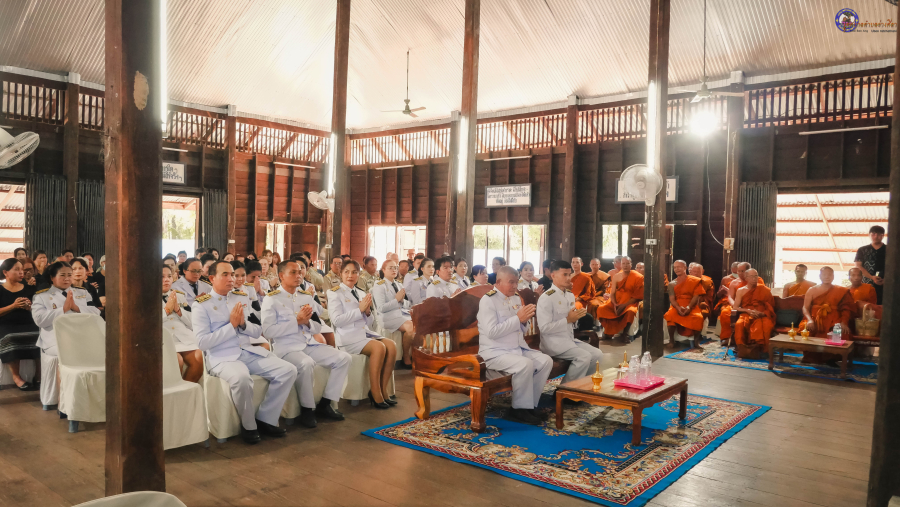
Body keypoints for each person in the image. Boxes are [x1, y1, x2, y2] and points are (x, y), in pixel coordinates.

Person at [193, 260, 297, 444]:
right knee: (242, 378)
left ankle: (266, 418)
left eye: (232, 274)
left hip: (246, 351)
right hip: (222, 357)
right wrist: (231, 326)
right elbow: (203, 343)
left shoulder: (240, 297)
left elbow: (257, 331)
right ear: (212, 278)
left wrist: (242, 324)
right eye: (225, 275)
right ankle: (249, 426)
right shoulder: (201, 305)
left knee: (288, 370)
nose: (231, 279)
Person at [262, 260, 349, 427]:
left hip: (308, 343)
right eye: (293, 272)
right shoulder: (271, 299)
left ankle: (325, 403)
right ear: (281, 276)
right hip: (286, 348)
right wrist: (296, 321)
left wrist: (307, 323)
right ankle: (307, 409)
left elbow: (317, 325)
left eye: (299, 272)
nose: (298, 275)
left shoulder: (305, 296)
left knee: (344, 358)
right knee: (306, 363)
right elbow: (268, 331)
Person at [477, 266, 552, 425]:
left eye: (516, 282)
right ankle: (518, 410)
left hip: (516, 348)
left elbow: (520, 328)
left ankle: (530, 406)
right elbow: (491, 332)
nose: (515, 286)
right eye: (510, 282)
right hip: (494, 352)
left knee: (545, 361)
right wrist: (518, 319)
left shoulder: (516, 297)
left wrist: (523, 322)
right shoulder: (488, 300)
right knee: (525, 364)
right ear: (498, 282)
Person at [327, 260, 397, 409]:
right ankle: (375, 392)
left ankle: (384, 390)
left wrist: (367, 312)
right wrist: (359, 310)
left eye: (354, 272)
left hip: (363, 332)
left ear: (359, 275)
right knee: (379, 348)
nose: (350, 275)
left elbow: (369, 322)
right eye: (346, 272)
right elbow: (337, 321)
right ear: (340, 274)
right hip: (347, 336)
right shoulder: (334, 293)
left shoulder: (361, 293)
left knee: (391, 345)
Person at [32, 261, 101, 411]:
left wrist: (76, 307)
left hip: (80, 336)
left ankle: (90, 399)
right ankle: (63, 401)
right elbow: (39, 320)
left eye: (69, 275)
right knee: (66, 352)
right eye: (62, 275)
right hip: (54, 339)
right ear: (52, 277)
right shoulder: (42, 296)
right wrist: (62, 309)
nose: (67, 278)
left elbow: (96, 312)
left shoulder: (82, 292)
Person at [536, 260, 603, 384]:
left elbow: (572, 323)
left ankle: (582, 387)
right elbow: (544, 328)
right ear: (553, 275)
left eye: (569, 274)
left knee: (597, 354)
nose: (568, 278)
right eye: (564, 274)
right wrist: (568, 320)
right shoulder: (547, 298)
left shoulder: (569, 295)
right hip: (553, 343)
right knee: (584, 357)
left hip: (569, 340)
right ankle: (565, 389)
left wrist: (576, 318)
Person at [0, 258, 39, 390]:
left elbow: (37, 309)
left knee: (41, 335)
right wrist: (13, 306)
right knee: (10, 337)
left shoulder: (29, 288)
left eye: (22, 269)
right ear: (5, 272)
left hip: (28, 323)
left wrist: (30, 307)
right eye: (17, 269)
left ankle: (38, 375)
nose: (21, 272)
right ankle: (16, 377)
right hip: (6, 325)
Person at [161, 264, 203, 382]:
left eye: (169, 276)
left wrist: (179, 311)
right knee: (176, 360)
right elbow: (147, 324)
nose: (166, 279)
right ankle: (175, 390)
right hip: (164, 338)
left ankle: (187, 389)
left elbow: (192, 323)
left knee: (199, 357)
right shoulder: (145, 297)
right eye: (162, 276)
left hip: (183, 337)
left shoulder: (179, 296)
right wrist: (166, 310)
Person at [373, 259, 415, 369]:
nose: (394, 270)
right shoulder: (379, 285)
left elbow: (407, 304)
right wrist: (396, 300)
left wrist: (401, 301)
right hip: (387, 317)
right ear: (383, 270)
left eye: (395, 268)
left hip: (401, 314)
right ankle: (406, 356)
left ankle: (416, 356)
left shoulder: (399, 284)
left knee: (419, 323)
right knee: (411, 327)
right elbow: (381, 308)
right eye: (390, 268)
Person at [595, 256, 644, 340]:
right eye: (623, 263)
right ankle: (608, 332)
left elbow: (637, 296)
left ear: (631, 265)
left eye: (627, 263)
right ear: (621, 265)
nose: (625, 265)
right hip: (616, 301)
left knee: (631, 311)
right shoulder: (616, 276)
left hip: (630, 302)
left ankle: (626, 334)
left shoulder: (638, 277)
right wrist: (614, 304)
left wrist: (624, 305)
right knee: (601, 309)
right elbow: (612, 293)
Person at [731, 269, 775, 359]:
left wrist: (763, 313)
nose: (754, 278)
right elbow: (735, 307)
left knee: (767, 325)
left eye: (756, 276)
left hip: (762, 314)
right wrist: (748, 311)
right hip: (746, 314)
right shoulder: (741, 290)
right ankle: (742, 348)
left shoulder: (764, 289)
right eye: (752, 276)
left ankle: (764, 350)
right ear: (746, 278)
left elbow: (770, 306)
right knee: (739, 324)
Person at [800, 267, 855, 338]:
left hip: (834, 320)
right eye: (824, 274)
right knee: (804, 328)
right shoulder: (812, 290)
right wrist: (810, 320)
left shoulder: (841, 290)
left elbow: (846, 308)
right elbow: (805, 308)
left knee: (842, 333)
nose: (827, 277)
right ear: (820, 276)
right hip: (815, 319)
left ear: (833, 276)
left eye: (829, 274)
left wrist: (844, 323)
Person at [663, 260, 706, 346]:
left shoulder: (695, 281)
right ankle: (671, 341)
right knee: (670, 315)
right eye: (675, 267)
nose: (676, 269)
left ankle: (696, 342)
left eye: (679, 267)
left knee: (698, 317)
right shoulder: (672, 284)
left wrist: (689, 307)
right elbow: (672, 299)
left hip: (691, 305)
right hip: (677, 305)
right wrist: (678, 308)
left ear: (685, 268)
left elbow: (696, 296)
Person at [717, 262, 764, 341]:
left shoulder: (757, 281)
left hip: (752, 305)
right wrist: (735, 305)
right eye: (738, 271)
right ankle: (728, 338)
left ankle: (750, 339)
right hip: (737, 304)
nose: (739, 273)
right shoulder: (734, 282)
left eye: (742, 271)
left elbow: (761, 294)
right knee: (725, 312)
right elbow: (730, 297)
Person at [854, 225, 886, 304]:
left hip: (886, 286)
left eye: (879, 234)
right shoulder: (862, 250)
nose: (876, 236)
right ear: (869, 235)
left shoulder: (889, 250)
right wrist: (871, 277)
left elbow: (896, 267)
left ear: (883, 236)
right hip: (866, 285)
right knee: (866, 306)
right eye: (873, 234)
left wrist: (887, 280)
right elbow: (858, 266)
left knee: (884, 307)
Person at [570, 257, 595, 330]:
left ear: (582, 264)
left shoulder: (586, 277)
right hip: (568, 299)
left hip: (579, 300)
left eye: (577, 262)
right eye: (573, 262)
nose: (575, 264)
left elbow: (589, 293)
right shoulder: (569, 277)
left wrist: (579, 298)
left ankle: (576, 327)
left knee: (574, 307)